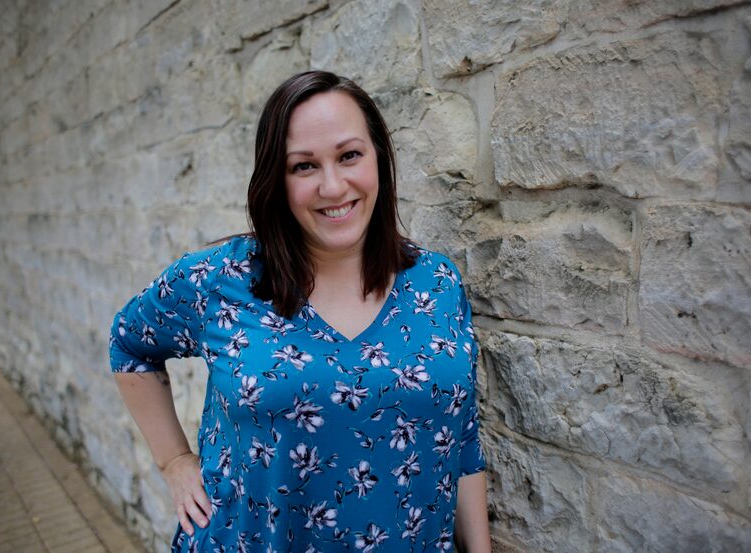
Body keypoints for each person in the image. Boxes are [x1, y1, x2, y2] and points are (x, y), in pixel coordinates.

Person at [109, 70, 492, 553]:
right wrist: (173, 462)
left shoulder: (436, 283)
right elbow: (129, 344)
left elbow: (460, 441)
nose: (333, 186)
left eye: (349, 155)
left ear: (379, 159)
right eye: (304, 166)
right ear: (277, 179)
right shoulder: (219, 280)